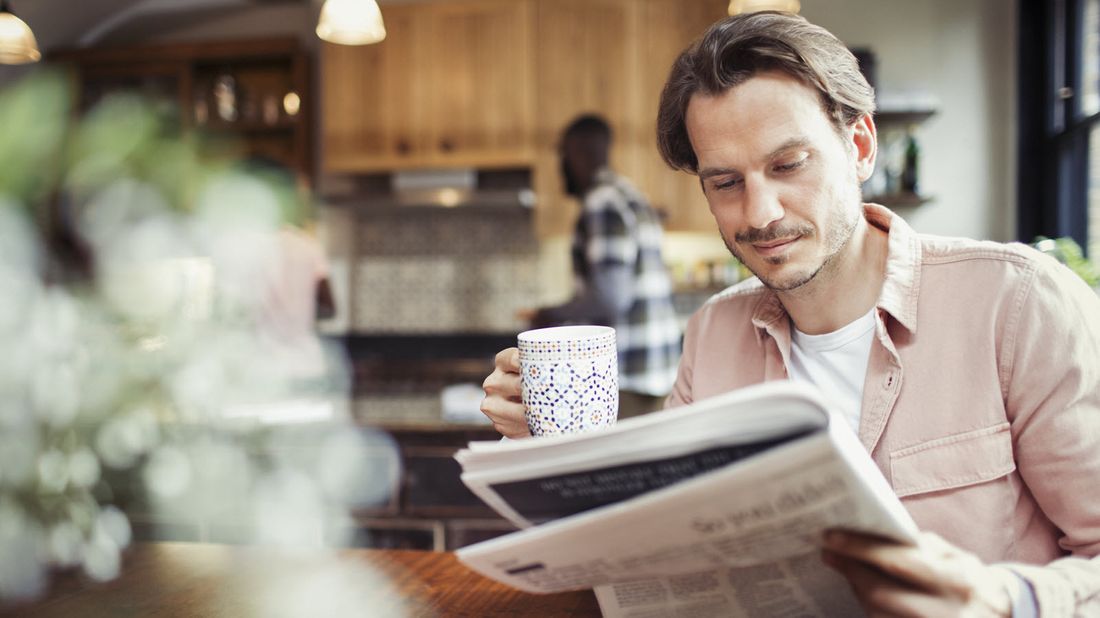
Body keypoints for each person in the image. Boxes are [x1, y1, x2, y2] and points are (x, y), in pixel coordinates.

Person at [482, 11, 1100, 617]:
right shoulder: (714, 335)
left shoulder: (1018, 303)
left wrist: (1002, 599)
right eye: (725, 183)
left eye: (787, 165)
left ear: (859, 147)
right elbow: (655, 550)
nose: (760, 214)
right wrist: (557, 456)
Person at [522, 114, 682, 418]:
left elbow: (610, 298)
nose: (561, 167)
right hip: (656, 371)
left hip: (627, 380)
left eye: (563, 155)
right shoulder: (631, 195)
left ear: (580, 152)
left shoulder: (602, 203)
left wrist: (548, 316)